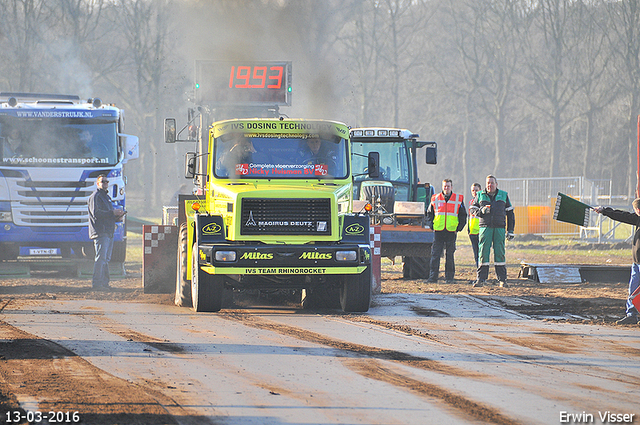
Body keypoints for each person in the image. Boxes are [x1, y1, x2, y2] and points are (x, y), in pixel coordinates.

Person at [594, 200, 640, 325]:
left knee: (635, 290)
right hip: (636, 262)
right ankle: (632, 314)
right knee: (633, 289)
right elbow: (621, 215)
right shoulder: (637, 219)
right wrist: (604, 210)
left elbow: (623, 215)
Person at [470, 175, 515, 287]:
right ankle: (481, 279)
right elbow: (473, 209)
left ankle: (502, 280)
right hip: (485, 228)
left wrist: (510, 230)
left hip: (499, 228)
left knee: (500, 253)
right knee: (483, 253)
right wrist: (482, 211)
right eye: (488, 183)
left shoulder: (504, 195)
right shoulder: (480, 195)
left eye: (492, 183)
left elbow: (510, 214)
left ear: (496, 184)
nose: (490, 185)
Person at [426, 179, 467, 283]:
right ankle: (432, 278)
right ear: (442, 186)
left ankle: (449, 278)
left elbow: (463, 215)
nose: (446, 188)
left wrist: (458, 228)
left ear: (452, 187)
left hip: (451, 231)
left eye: (448, 186)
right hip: (438, 231)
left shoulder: (458, 199)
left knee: (450, 256)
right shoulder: (435, 198)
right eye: (445, 186)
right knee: (435, 255)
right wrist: (432, 226)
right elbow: (429, 214)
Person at [88, 174, 125, 289]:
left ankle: (104, 283)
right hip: (101, 231)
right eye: (103, 181)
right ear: (97, 183)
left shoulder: (106, 197)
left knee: (106, 259)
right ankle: (97, 284)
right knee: (101, 258)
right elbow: (96, 214)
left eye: (106, 181)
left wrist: (116, 217)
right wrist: (112, 213)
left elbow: (107, 215)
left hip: (108, 231)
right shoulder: (96, 196)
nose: (105, 183)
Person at [468, 183, 482, 268]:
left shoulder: (483, 201)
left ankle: (482, 273)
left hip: (481, 231)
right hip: (473, 232)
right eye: (473, 190)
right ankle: (478, 271)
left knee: (481, 255)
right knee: (476, 255)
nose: (474, 192)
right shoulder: (471, 202)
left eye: (476, 190)